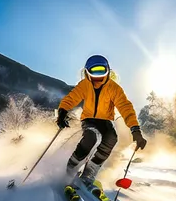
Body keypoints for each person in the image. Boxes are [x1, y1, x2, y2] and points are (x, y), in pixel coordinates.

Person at [56, 54, 147, 186]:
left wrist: (135, 129)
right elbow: (71, 98)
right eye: (94, 72)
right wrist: (62, 111)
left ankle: (90, 171)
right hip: (89, 119)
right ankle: (71, 167)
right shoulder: (85, 85)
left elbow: (125, 107)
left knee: (111, 138)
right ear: (87, 73)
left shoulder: (114, 88)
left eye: (101, 71)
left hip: (106, 121)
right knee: (92, 137)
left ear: (108, 71)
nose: (98, 77)